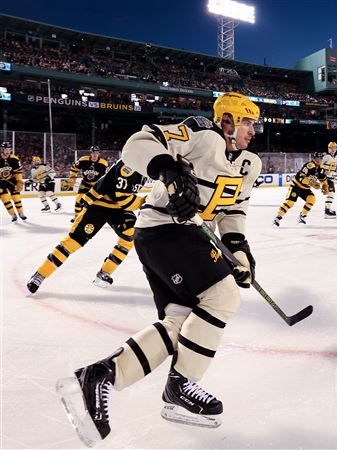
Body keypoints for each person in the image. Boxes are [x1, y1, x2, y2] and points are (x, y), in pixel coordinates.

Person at [56, 92, 263, 446]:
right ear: (227, 119)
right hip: (165, 230)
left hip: (185, 237)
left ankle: (98, 376)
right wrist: (166, 167)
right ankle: (180, 386)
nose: (252, 131)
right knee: (223, 295)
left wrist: (239, 250)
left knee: (180, 321)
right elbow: (138, 143)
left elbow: (233, 211)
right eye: (247, 122)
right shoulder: (201, 132)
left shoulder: (249, 164)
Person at [26, 159, 147, 293]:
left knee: (130, 235)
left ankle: (104, 273)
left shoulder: (146, 169)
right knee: (73, 242)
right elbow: (121, 197)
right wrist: (145, 201)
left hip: (119, 207)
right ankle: (40, 274)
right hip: (100, 204)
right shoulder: (129, 165)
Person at [273, 152, 328, 227]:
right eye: (317, 158)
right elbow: (300, 178)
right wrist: (311, 183)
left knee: (312, 199)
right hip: (296, 186)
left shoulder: (321, 168)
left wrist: (325, 187)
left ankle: (302, 216)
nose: (318, 160)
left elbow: (323, 179)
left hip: (305, 188)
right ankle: (277, 218)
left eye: (320, 158)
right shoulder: (309, 166)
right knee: (290, 202)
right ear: (314, 158)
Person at [66, 145, 109, 221]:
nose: (95, 155)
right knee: (79, 198)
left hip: (96, 184)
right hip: (85, 183)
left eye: (96, 153)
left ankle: (97, 216)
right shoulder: (83, 160)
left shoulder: (103, 163)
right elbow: (74, 168)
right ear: (90, 153)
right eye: (93, 153)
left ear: (99, 153)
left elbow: (107, 176)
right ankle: (76, 216)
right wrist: (72, 177)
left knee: (97, 202)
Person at [0, 141, 26, 222]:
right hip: (0, 182)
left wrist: (19, 180)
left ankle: (21, 213)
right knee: (5, 198)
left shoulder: (14, 158)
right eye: (6, 149)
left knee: (16, 197)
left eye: (9, 149)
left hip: (12, 180)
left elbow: (18, 171)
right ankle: (13, 214)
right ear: (2, 149)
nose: (8, 151)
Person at [321, 141, 337, 218]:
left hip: (330, 177)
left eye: (334, 147)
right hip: (324, 177)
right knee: (331, 192)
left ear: (336, 149)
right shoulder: (326, 157)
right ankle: (327, 211)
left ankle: (327, 209)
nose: (332, 149)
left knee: (331, 193)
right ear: (328, 148)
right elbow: (318, 165)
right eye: (330, 147)